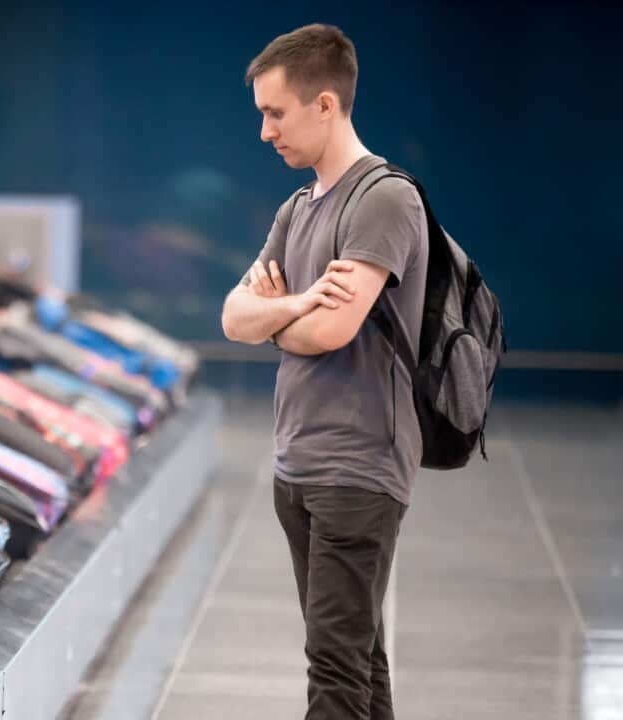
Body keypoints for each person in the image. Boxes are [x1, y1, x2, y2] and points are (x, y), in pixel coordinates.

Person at [221, 23, 428, 720]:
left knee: (335, 670)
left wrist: (282, 311)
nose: (265, 132)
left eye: (274, 113)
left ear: (326, 106)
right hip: (300, 463)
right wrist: (300, 304)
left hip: (358, 467)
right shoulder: (296, 208)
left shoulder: (384, 200)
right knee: (356, 658)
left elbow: (334, 330)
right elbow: (232, 318)